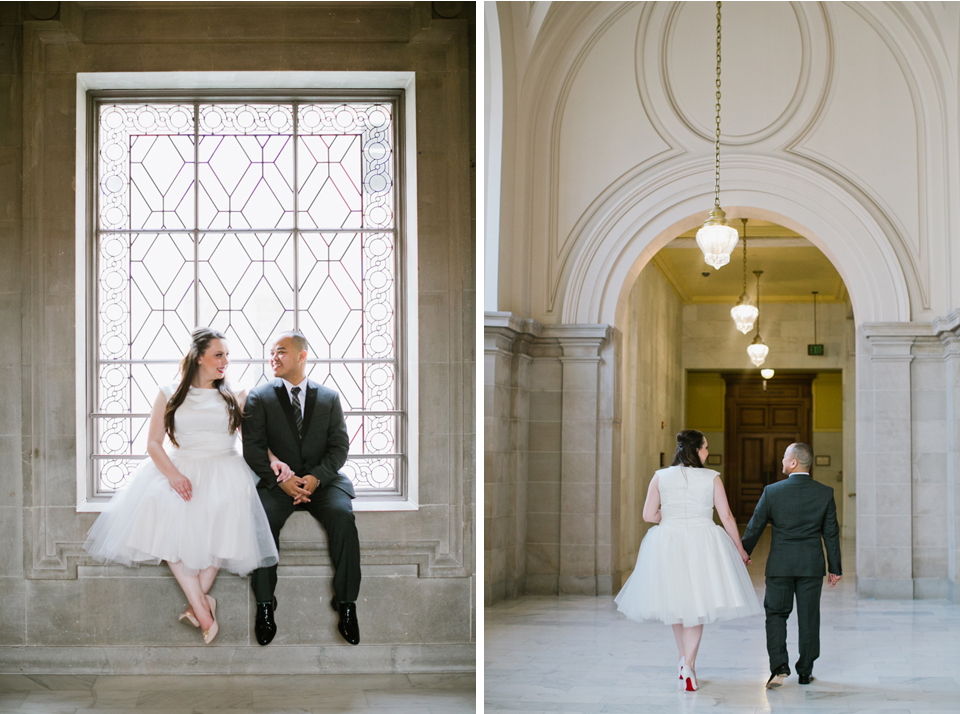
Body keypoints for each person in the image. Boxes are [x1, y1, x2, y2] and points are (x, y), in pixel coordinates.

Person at [83, 327, 279, 644]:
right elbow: (154, 444)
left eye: (227, 355)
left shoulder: (236, 394)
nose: (225, 361)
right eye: (219, 355)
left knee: (224, 510)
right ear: (199, 357)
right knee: (159, 508)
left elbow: (254, 443)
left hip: (225, 468)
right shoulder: (170, 391)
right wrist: (173, 475)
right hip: (180, 465)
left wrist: (273, 461)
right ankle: (203, 607)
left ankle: (199, 606)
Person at [614, 429, 762, 692]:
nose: (707, 452)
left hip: (667, 542)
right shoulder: (711, 477)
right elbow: (726, 516)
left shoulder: (660, 476)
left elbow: (648, 514)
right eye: (705, 448)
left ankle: (684, 662)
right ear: (696, 450)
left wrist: (670, 519)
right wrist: (740, 550)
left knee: (677, 602)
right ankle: (689, 664)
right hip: (703, 541)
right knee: (697, 604)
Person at [242, 330, 361, 646]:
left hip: (322, 483)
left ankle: (346, 603)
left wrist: (316, 477)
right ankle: (266, 605)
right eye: (271, 353)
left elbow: (339, 448)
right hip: (278, 485)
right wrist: (281, 482)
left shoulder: (329, 398)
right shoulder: (260, 397)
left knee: (343, 518)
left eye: (281, 351)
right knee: (263, 522)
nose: (274, 358)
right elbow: (253, 449)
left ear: (301, 355)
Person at [741, 442, 841, 688]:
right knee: (809, 618)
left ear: (794, 462)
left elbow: (754, 526)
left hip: (780, 565)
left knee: (775, 614)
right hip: (811, 566)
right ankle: (805, 671)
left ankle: (779, 668)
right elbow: (831, 534)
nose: (782, 460)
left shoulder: (772, 491)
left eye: (785, 456)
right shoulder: (824, 492)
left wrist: (742, 553)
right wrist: (834, 568)